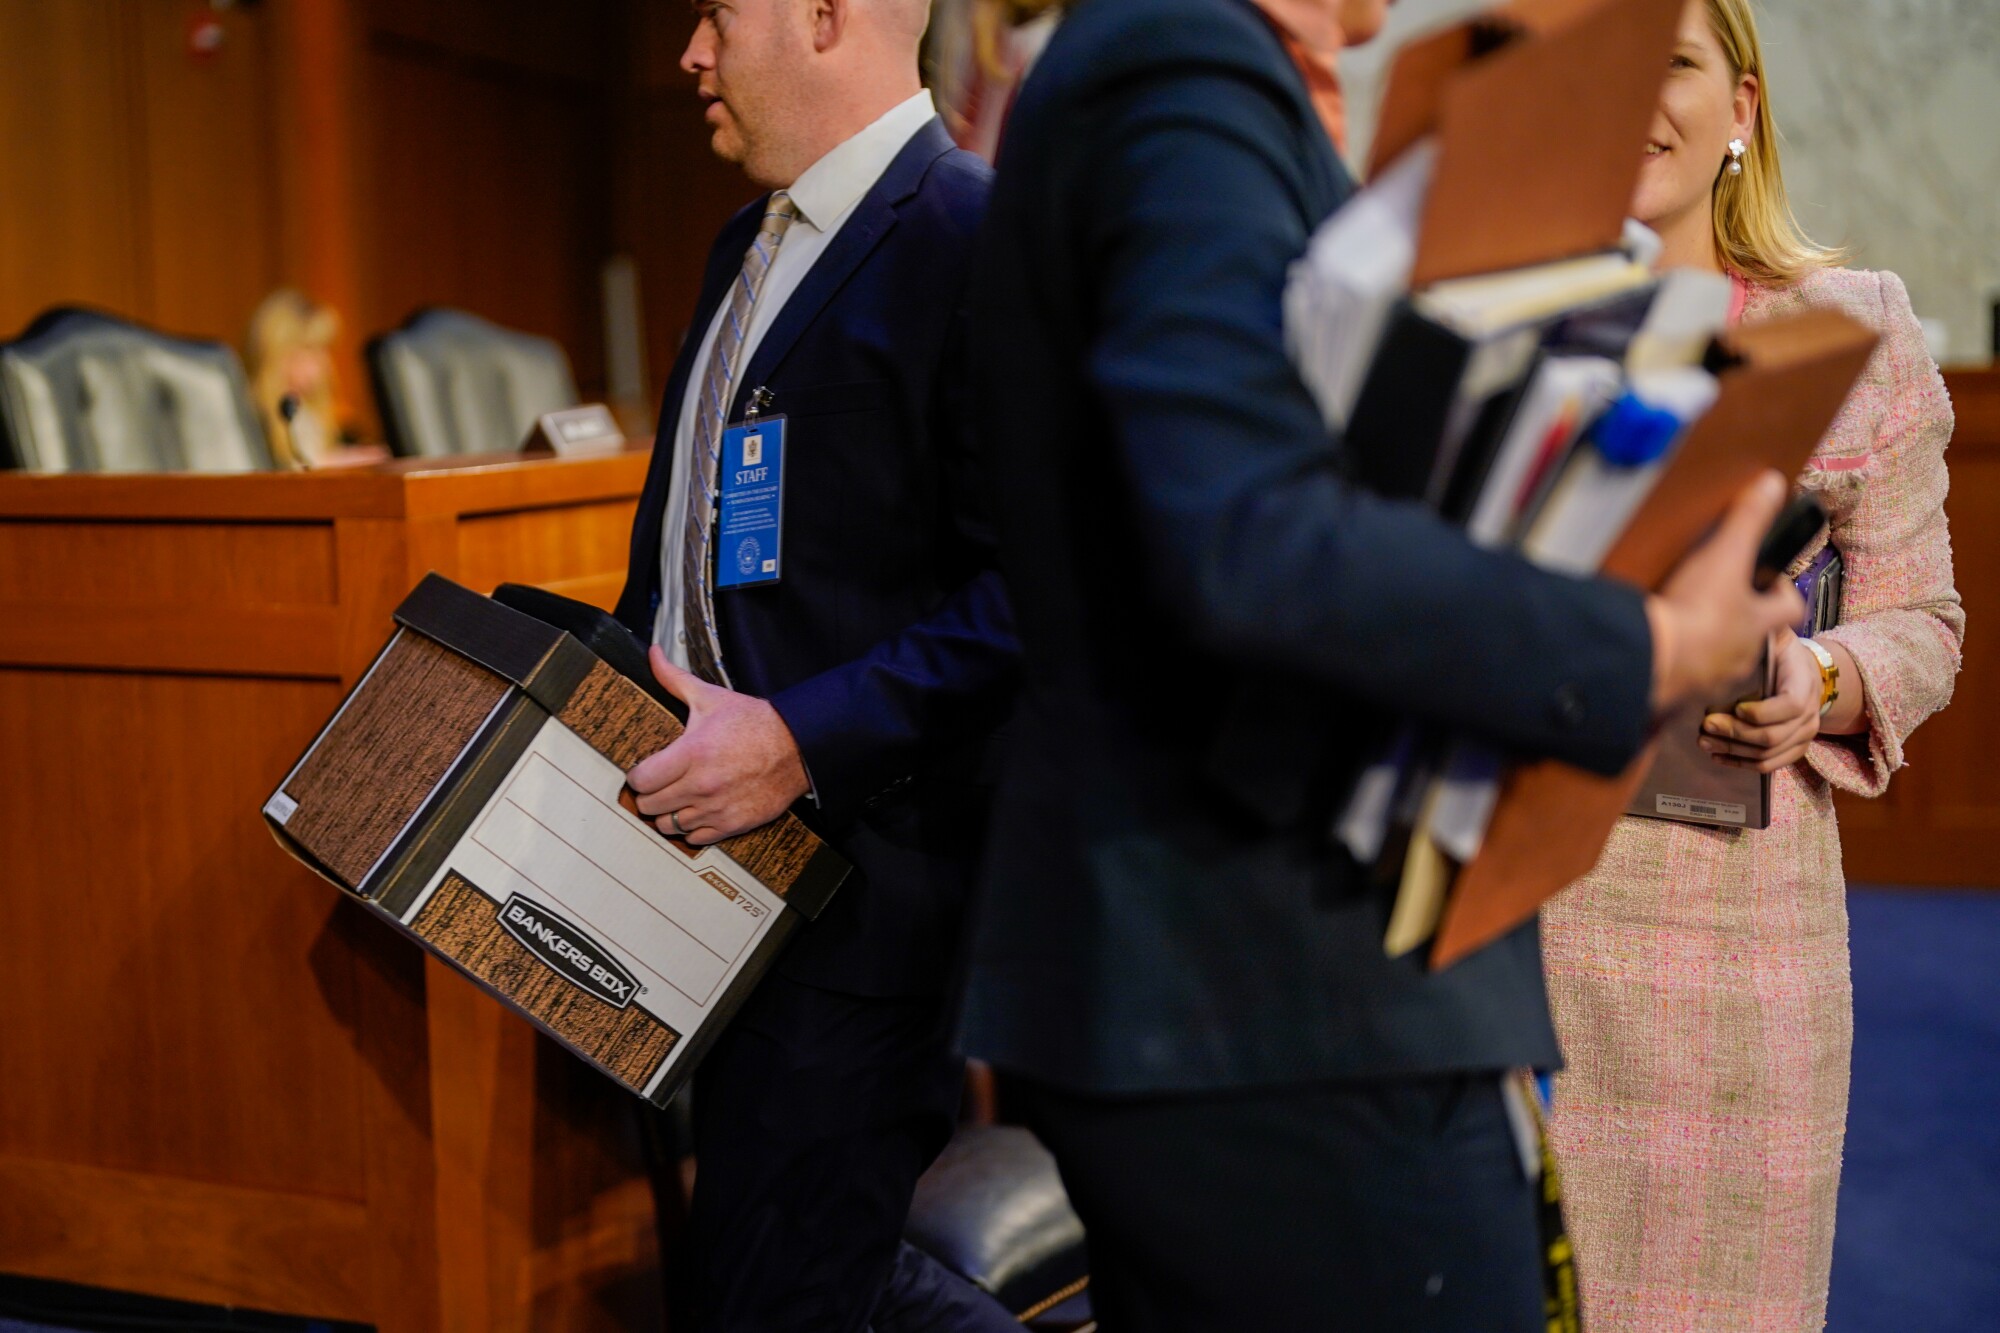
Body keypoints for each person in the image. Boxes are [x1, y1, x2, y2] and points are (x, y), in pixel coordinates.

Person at [960, 0, 1806, 1327]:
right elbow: (1250, 533)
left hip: (1265, 986)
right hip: (1266, 993)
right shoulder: (1179, 53)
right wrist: (1643, 639)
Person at [1540, 2, 1964, 1328]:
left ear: (1744, 110)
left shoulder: (1854, 333)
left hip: (1738, 960)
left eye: (1673, 59)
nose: (1634, 98)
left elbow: (1927, 623)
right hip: (1522, 925)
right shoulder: (1500, 337)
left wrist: (1822, 679)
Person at [609, 0, 1020, 1328]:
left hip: (859, 889)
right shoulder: (749, 239)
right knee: (763, 1274)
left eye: (718, 14)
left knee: (798, 1289)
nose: (689, 52)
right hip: (707, 877)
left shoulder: (972, 234)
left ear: (827, 15)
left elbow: (1038, 593)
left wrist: (798, 739)